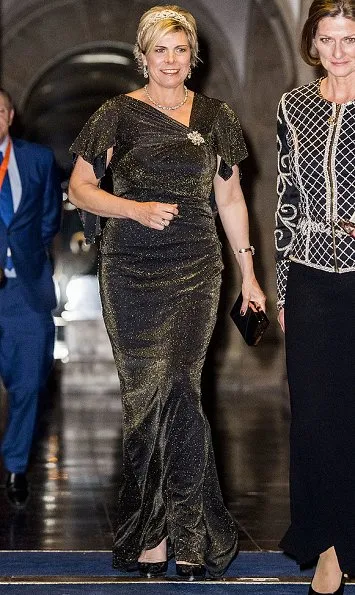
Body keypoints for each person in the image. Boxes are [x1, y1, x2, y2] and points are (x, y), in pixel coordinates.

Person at [69, 4, 265, 579]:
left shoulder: (216, 116)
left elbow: (230, 200)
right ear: (144, 55)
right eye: (161, 49)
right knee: (143, 400)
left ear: (192, 56)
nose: (172, 60)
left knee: (180, 388)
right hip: (130, 269)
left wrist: (249, 272)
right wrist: (133, 208)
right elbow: (80, 187)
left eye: (181, 49)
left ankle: (191, 535)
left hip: (197, 267)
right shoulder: (116, 115)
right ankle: (151, 533)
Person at [275, 1, 355, 593]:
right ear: (312, 44)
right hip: (308, 275)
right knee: (316, 415)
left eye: (349, 38)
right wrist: (280, 289)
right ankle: (327, 541)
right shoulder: (292, 105)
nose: (338, 51)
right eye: (326, 39)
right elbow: (285, 203)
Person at [0, 88, 62, 507]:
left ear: (10, 115)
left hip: (25, 288)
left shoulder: (38, 160)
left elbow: (48, 218)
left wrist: (21, 253)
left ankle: (15, 467)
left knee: (27, 384)